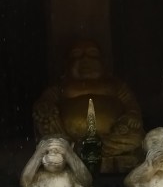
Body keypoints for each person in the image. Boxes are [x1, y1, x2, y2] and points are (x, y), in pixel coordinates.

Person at [33, 40, 143, 171]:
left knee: (135, 138)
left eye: (93, 54)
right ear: (67, 64)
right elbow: (44, 104)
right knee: (52, 136)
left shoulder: (115, 85)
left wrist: (132, 115)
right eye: (76, 55)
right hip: (69, 139)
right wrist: (46, 110)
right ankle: (74, 150)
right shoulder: (61, 86)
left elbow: (131, 104)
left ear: (103, 62)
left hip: (113, 138)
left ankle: (96, 150)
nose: (85, 59)